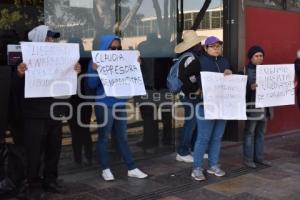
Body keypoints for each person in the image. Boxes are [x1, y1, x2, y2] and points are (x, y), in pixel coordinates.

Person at [16, 25, 81, 199]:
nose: (51, 41)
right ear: (37, 40)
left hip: (55, 111)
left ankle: (50, 180)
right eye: (48, 38)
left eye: (53, 38)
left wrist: (74, 71)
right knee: (34, 151)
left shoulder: (60, 58)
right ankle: (32, 184)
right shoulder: (24, 59)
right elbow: (16, 88)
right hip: (34, 114)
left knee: (54, 149)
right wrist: (20, 74)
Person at [87, 34, 148, 181]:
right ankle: (105, 168)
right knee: (104, 137)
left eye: (118, 47)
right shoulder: (95, 61)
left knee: (122, 137)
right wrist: (95, 71)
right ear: (104, 47)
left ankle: (131, 167)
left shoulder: (123, 60)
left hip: (120, 103)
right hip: (104, 104)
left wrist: (135, 66)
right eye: (112, 47)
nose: (115, 50)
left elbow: (131, 80)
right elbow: (90, 85)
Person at [192, 36, 232, 181]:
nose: (216, 48)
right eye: (213, 46)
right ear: (206, 48)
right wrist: (198, 89)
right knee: (203, 138)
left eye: (218, 46)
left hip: (222, 104)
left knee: (217, 137)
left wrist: (230, 73)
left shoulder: (224, 61)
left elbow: (229, 82)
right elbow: (191, 79)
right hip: (204, 104)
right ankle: (197, 168)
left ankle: (213, 165)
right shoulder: (200, 61)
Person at [173, 30, 205, 163]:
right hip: (189, 95)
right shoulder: (191, 57)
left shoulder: (184, 56)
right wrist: (196, 89)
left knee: (194, 122)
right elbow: (184, 77)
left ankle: (191, 149)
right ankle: (183, 151)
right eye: (198, 43)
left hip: (187, 94)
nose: (200, 45)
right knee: (191, 123)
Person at [243, 45, 272, 168]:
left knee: (260, 133)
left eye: (261, 56)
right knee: (249, 133)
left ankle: (259, 158)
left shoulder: (268, 71)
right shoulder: (244, 70)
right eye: (256, 56)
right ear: (251, 58)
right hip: (252, 107)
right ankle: (248, 159)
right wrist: (250, 88)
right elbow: (239, 90)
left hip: (265, 107)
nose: (259, 58)